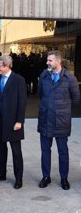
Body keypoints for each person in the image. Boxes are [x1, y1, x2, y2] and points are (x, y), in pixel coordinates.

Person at [37, 50, 80, 190]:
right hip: (45, 119)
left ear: (58, 61)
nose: (47, 63)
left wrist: (62, 110)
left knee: (63, 151)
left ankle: (64, 178)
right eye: (47, 60)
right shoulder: (44, 75)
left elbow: (76, 99)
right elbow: (40, 94)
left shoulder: (70, 78)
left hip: (61, 121)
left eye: (50, 60)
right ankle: (46, 176)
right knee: (45, 150)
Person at [0, 55, 27, 189]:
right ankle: (1, 173)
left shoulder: (18, 80)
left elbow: (22, 102)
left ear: (6, 66)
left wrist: (19, 121)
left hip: (13, 122)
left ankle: (19, 178)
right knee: (0, 149)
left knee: (16, 151)